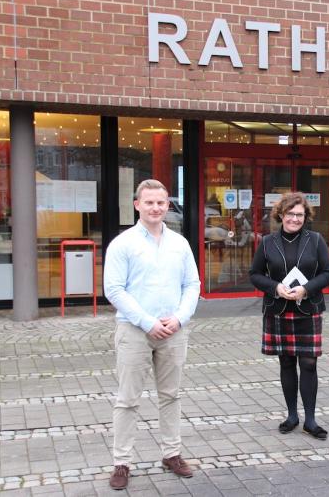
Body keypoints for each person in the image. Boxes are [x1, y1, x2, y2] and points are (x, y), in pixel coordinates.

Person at [103, 179, 200, 490]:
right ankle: (122, 462)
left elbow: (192, 285)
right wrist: (147, 322)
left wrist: (180, 318)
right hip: (134, 330)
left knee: (171, 395)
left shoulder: (180, 243)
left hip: (173, 330)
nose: (156, 208)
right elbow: (114, 289)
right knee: (128, 399)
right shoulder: (123, 243)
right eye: (149, 202)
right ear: (137, 205)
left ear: (167, 205)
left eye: (161, 202)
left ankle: (171, 453)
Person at [249, 192, 329, 440]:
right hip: (278, 309)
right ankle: (291, 415)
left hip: (308, 309)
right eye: (290, 214)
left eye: (300, 215)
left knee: (309, 363)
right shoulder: (267, 242)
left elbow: (327, 273)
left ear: (306, 217)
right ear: (281, 215)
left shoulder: (316, 240)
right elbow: (255, 274)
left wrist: (306, 289)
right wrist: (275, 287)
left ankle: (310, 419)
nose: (295, 219)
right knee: (286, 362)